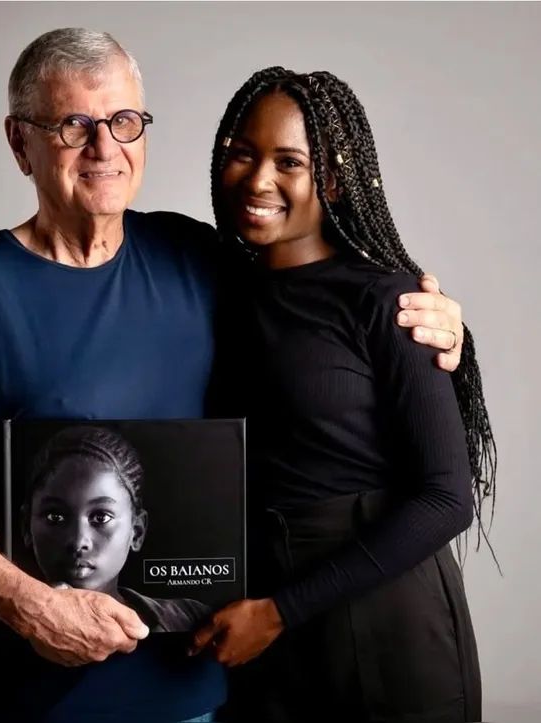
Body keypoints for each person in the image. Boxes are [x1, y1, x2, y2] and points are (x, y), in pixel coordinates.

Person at [0, 26, 467, 723]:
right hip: (50, 699)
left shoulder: (198, 258)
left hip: (217, 691)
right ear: (21, 142)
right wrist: (28, 601)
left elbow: (324, 324)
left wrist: (436, 322)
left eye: (124, 121)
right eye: (73, 124)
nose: (104, 147)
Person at [190, 68, 496, 723]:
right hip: (261, 624)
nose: (258, 178)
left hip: (388, 621)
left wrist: (280, 611)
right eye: (242, 153)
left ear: (330, 179)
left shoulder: (389, 298)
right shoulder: (217, 288)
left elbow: (446, 498)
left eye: (288, 162)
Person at [20, 424, 212, 633]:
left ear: (137, 531)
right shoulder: (2, 619)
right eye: (55, 517)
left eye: (101, 517)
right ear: (26, 526)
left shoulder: (190, 618)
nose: (78, 541)